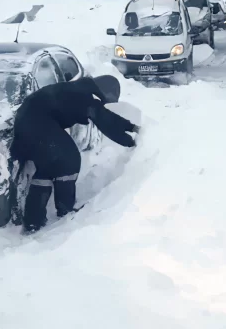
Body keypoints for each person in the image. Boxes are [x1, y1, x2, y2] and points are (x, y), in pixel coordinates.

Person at [9, 75, 139, 233]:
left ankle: (33, 220)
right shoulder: (83, 97)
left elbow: (106, 116)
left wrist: (130, 127)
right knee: (68, 160)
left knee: (46, 167)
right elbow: (106, 122)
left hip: (24, 124)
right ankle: (65, 211)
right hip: (39, 125)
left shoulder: (75, 89)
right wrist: (130, 141)